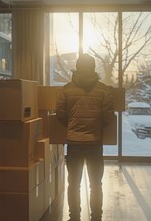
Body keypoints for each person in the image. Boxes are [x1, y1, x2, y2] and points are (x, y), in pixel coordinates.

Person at [56, 53, 114, 221]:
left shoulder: (66, 89)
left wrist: (73, 125)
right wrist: (95, 127)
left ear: (77, 67)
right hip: (95, 142)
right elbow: (108, 116)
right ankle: (96, 217)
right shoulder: (104, 90)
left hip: (74, 142)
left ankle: (74, 217)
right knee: (96, 184)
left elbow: (60, 115)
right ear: (94, 68)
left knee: (73, 184)